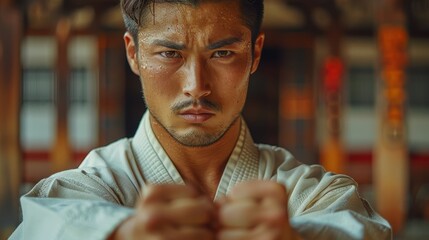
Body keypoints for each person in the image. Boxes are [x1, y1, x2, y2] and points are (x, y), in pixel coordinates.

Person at [10, 0, 392, 239]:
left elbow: (358, 230)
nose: (197, 87)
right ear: (133, 53)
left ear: (255, 54)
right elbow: (49, 225)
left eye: (223, 53)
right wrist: (122, 234)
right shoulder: (89, 189)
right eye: (169, 54)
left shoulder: (310, 196)